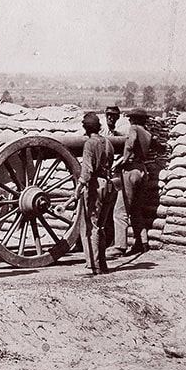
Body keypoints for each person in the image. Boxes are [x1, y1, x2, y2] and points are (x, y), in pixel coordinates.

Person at [60, 112, 115, 275]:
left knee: (91, 227)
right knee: (102, 226)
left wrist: (77, 190)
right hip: (108, 185)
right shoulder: (108, 143)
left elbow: (87, 171)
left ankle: (94, 265)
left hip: (95, 186)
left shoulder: (90, 144)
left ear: (85, 128)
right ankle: (103, 264)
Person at [110, 108, 151, 256]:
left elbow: (130, 143)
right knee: (136, 210)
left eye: (130, 118)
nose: (129, 120)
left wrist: (123, 160)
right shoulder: (147, 133)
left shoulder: (133, 128)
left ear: (134, 119)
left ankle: (120, 246)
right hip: (142, 170)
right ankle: (142, 242)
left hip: (131, 170)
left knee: (120, 211)